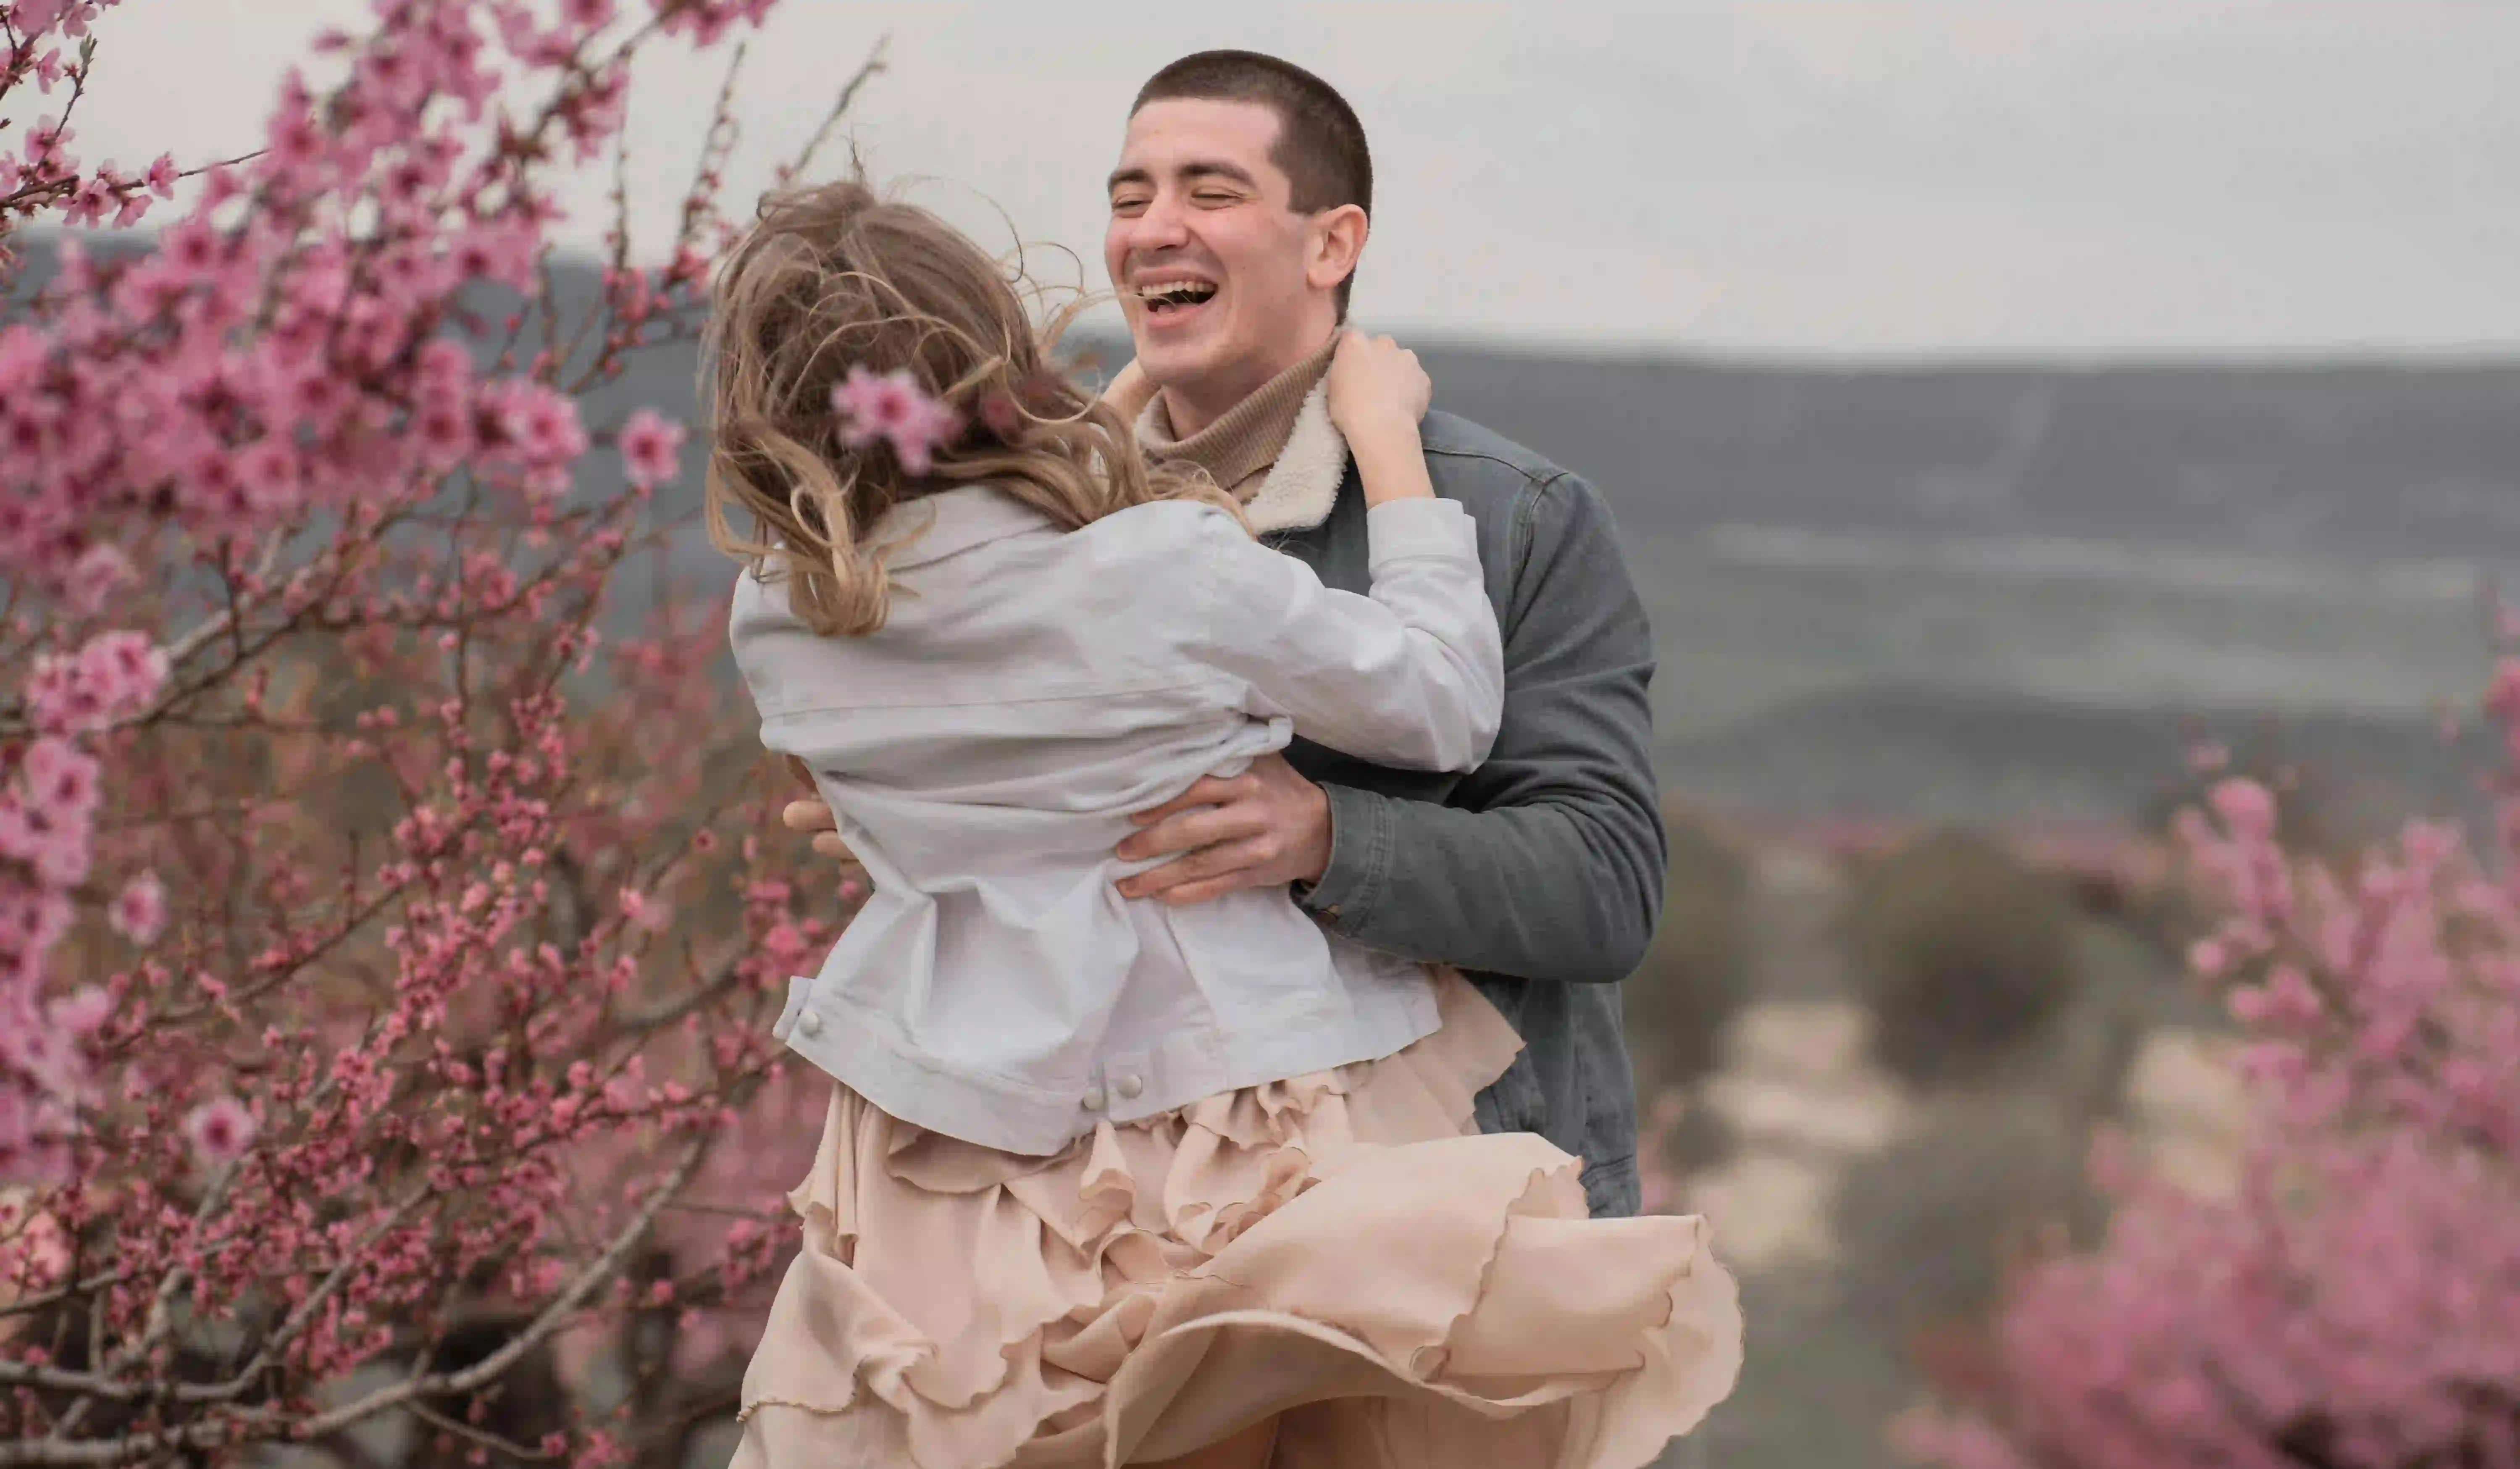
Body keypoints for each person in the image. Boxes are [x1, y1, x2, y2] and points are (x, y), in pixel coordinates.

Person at [709, 177, 1740, 1467]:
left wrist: (1091, 445)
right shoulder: (1161, 569)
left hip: (952, 1157)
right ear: (988, 354)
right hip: (1225, 1119)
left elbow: (979, 673)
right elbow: (1444, 706)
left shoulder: (779, 618)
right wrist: (1391, 450)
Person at [784, 50, 1669, 1225]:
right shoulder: (1008, 530)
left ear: (1330, 244)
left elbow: (1603, 885)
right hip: (1098, 1236)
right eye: (1127, 196)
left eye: (1209, 192)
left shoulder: (1516, 517)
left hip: (1451, 1217)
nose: (1153, 230)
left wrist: (1325, 838)